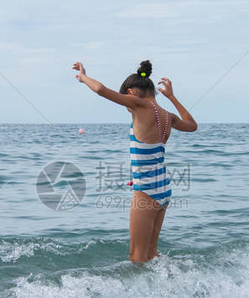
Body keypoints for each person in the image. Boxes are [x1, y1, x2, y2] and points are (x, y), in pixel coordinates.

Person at [73, 60, 198, 262]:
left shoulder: (139, 105)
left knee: (137, 257)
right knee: (151, 254)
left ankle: (142, 294)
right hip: (163, 188)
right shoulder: (168, 116)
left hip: (146, 191)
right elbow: (192, 126)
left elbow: (101, 90)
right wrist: (172, 97)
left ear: (130, 93)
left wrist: (83, 77)